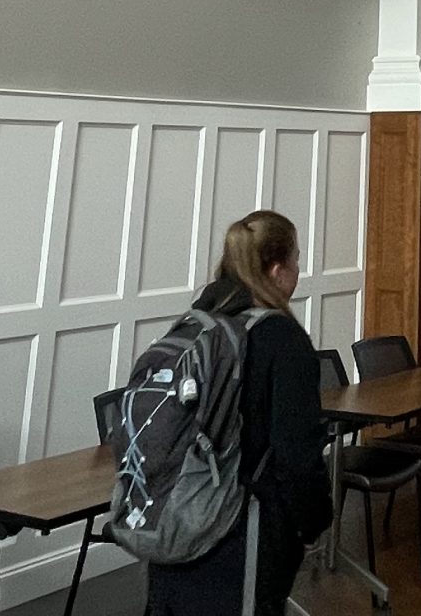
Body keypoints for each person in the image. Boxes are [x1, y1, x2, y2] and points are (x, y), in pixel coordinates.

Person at [143, 209, 333, 615]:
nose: (298, 271)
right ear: (279, 270)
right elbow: (297, 455)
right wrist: (313, 521)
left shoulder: (192, 325)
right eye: (296, 260)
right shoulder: (283, 341)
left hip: (175, 521)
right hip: (245, 534)